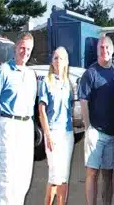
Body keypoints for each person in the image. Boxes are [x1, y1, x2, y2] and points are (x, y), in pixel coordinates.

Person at [0, 33, 38, 205]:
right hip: (9, 124)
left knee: (24, 176)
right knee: (8, 177)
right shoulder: (3, 71)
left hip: (27, 125)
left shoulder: (31, 74)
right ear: (16, 47)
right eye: (22, 48)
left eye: (29, 49)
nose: (25, 52)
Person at [79, 35, 114, 205]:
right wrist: (88, 128)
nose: (104, 50)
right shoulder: (90, 73)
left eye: (107, 47)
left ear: (112, 50)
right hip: (96, 132)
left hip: (113, 133)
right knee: (92, 173)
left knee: (109, 174)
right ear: (97, 50)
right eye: (101, 47)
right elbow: (83, 101)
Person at [38, 47, 75, 205]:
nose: (58, 61)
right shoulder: (46, 82)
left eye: (61, 58)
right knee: (54, 177)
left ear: (66, 62)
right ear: (52, 62)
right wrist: (47, 135)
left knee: (64, 178)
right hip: (53, 132)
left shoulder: (68, 83)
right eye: (56, 58)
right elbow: (41, 110)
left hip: (67, 133)